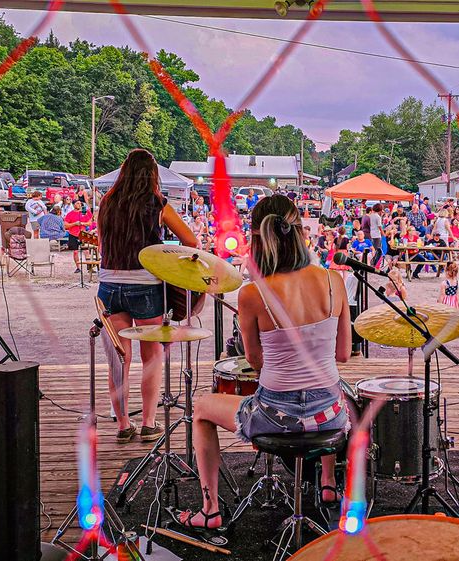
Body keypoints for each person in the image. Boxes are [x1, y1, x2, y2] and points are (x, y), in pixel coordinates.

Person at [177, 194, 351, 530]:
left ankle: (209, 511)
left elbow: (256, 362)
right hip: (329, 417)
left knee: (201, 407)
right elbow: (342, 354)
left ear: (257, 237)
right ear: (301, 232)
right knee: (332, 386)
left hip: (275, 417)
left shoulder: (252, 294)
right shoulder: (334, 281)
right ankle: (327, 485)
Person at [97, 149, 197, 443]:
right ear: (152, 175)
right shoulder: (157, 204)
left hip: (109, 286)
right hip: (146, 287)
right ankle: (150, 423)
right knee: (151, 356)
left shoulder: (107, 202)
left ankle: (123, 425)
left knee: (119, 359)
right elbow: (190, 241)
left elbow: (104, 244)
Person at [64, 201, 94, 273]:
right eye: (77, 203)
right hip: (73, 234)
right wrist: (74, 224)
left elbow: (90, 223)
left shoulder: (85, 212)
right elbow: (65, 226)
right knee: (75, 252)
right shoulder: (70, 214)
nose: (79, 205)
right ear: (74, 204)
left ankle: (89, 267)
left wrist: (82, 223)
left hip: (83, 234)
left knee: (86, 251)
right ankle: (78, 268)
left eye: (80, 203)